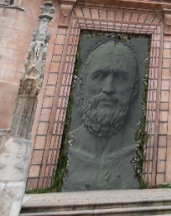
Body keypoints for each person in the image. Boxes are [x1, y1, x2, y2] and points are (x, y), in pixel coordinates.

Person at [61, 41, 143, 191]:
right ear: (81, 85)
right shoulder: (65, 149)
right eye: (99, 76)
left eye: (120, 78)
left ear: (134, 89)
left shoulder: (140, 150)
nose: (108, 88)